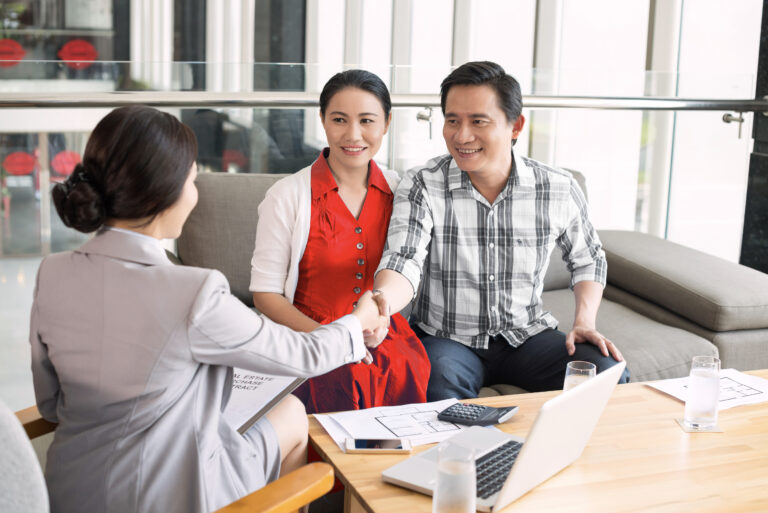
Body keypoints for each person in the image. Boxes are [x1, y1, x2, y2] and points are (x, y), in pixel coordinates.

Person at [30, 105, 386, 513]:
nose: (194, 194)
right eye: (193, 180)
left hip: (70, 491)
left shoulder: (52, 273)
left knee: (281, 409)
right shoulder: (192, 291)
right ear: (167, 192)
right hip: (171, 496)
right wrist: (359, 320)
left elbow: (49, 404)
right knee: (292, 413)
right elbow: (306, 355)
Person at [373, 61, 631, 400]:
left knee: (609, 372)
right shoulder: (423, 183)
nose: (461, 136)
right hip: (448, 339)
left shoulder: (557, 188)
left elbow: (589, 259)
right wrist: (380, 304)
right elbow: (404, 258)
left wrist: (584, 321)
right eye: (452, 120)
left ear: (515, 125)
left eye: (478, 121)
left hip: (527, 337)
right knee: (435, 384)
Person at [250, 69, 430, 413]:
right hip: (310, 337)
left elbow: (410, 271)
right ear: (322, 120)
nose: (353, 134)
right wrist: (331, 339)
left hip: (385, 334)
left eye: (367, 121)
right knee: (340, 377)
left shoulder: (402, 192)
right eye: (339, 119)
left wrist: (375, 323)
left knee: (405, 371)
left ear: (387, 123)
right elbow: (265, 294)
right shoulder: (286, 196)